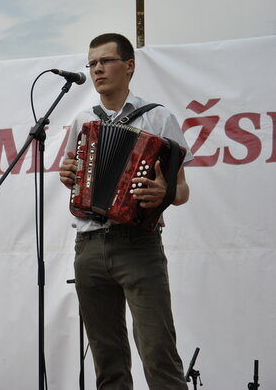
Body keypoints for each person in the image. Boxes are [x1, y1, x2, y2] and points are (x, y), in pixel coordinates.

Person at [59, 33, 192, 389]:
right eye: (92, 63)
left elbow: (182, 191)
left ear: (129, 65)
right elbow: (74, 178)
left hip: (139, 243)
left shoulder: (159, 118)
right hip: (88, 246)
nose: (97, 69)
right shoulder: (82, 121)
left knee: (158, 353)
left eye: (105, 61)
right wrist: (67, 176)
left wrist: (164, 192)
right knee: (108, 361)